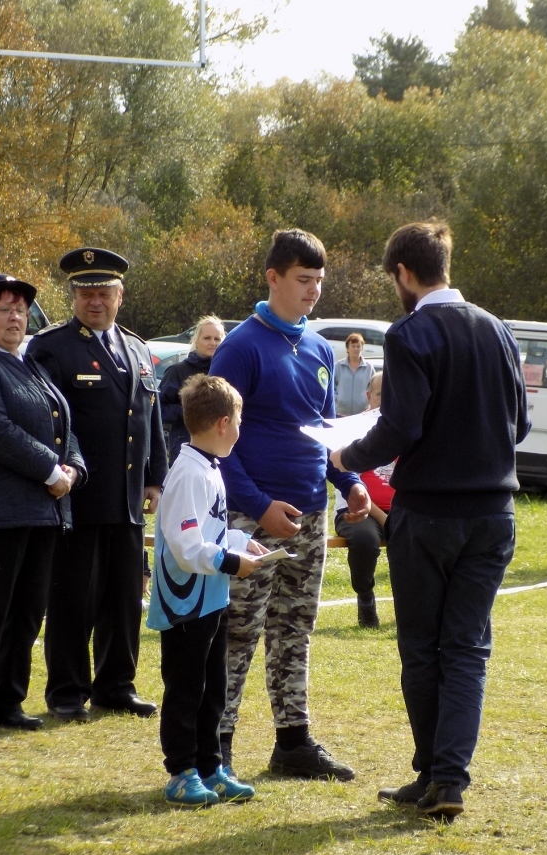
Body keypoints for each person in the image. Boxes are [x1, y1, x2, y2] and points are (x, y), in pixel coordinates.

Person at [331, 221, 530, 820]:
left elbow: (400, 427)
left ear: (403, 273)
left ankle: (433, 773)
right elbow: (520, 425)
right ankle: (447, 780)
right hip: (493, 513)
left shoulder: (410, 332)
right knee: (466, 647)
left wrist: (345, 457)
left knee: (421, 647)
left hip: (429, 514)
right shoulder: (497, 329)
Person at [209, 228, 370, 781]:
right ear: (273, 278)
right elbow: (216, 444)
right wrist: (258, 506)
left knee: (295, 629)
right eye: (303, 279)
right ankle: (217, 744)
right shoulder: (240, 348)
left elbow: (323, 433)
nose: (313, 290)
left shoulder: (321, 349)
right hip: (250, 517)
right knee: (238, 631)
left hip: (308, 514)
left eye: (319, 280)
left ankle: (293, 743)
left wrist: (348, 481)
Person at [27, 248, 167, 722]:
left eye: (104, 293)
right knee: (73, 598)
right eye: (86, 293)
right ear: (73, 297)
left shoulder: (137, 348)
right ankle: (67, 692)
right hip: (78, 496)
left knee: (123, 599)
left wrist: (155, 477)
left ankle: (116, 686)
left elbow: (150, 419)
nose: (95, 302)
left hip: (127, 497)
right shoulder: (52, 347)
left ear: (119, 296)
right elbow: (46, 422)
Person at [0, 274, 87, 736]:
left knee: (26, 612)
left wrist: (74, 469)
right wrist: (51, 470)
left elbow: (63, 426)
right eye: (4, 310)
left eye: (21, 310)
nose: (15, 317)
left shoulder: (29, 364)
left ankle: (5, 700)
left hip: (42, 510)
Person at [148, 375, 266, 807]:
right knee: (186, 689)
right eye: (240, 421)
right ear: (222, 423)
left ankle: (211, 767)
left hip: (211, 598)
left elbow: (209, 531)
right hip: (186, 603)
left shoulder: (208, 467)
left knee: (213, 686)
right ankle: (181, 773)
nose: (240, 429)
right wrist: (232, 562)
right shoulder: (187, 473)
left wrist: (240, 541)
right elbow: (186, 547)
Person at [334, 372, 393, 627]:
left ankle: (411, 605)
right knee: (365, 540)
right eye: (380, 395)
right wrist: (384, 518)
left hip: (400, 510)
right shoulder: (353, 428)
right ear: (369, 396)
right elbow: (350, 483)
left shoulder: (406, 429)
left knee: (419, 535)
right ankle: (366, 599)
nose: (386, 401)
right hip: (358, 511)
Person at [159, 316, 225, 465]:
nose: (212, 343)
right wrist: (190, 412)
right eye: (207, 338)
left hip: (221, 449)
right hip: (186, 447)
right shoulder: (177, 371)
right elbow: (158, 409)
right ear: (196, 340)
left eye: (217, 339)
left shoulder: (227, 371)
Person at [333, 333, 376, 416]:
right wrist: (336, 398)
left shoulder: (369, 367)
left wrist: (370, 403)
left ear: (362, 348)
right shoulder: (338, 366)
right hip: (340, 413)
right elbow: (331, 386)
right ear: (347, 348)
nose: (356, 349)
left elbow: (374, 388)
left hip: (362, 414)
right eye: (353, 346)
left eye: (358, 346)